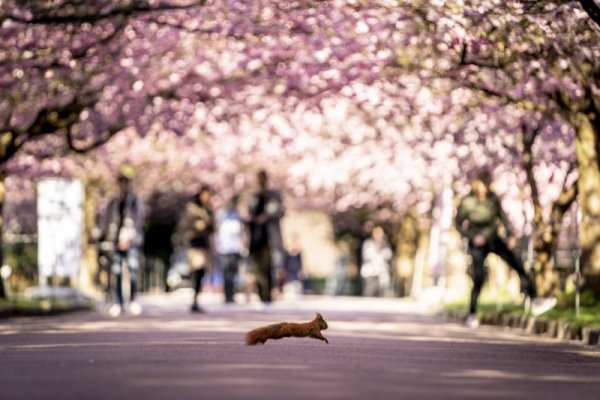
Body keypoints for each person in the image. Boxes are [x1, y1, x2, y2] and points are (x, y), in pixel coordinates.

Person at [456, 169, 556, 328]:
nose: (485, 188)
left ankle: (535, 299)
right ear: (477, 184)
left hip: (494, 239)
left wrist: (510, 235)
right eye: (483, 185)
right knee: (479, 278)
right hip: (477, 244)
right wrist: (472, 236)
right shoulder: (468, 201)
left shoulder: (493, 199)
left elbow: (502, 217)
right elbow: (459, 224)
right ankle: (472, 313)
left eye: (488, 185)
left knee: (517, 264)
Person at [101, 173, 144, 317]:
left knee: (132, 270)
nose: (122, 186)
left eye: (125, 183)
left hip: (130, 242)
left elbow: (137, 222)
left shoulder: (135, 201)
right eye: (120, 184)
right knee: (116, 272)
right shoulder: (113, 202)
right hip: (114, 240)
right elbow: (106, 221)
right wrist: (97, 234)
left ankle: (132, 300)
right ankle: (118, 302)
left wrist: (127, 238)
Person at [247, 170, 285, 306]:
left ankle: (267, 296)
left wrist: (267, 216)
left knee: (269, 266)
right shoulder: (253, 195)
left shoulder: (274, 195)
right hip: (255, 237)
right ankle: (260, 295)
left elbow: (280, 210)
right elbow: (249, 212)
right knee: (257, 267)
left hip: (269, 237)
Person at [177, 186, 214, 313]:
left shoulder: (209, 209)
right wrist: (200, 225)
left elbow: (213, 226)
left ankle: (196, 299)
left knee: (202, 272)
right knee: (197, 271)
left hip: (205, 244)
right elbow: (184, 225)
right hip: (195, 244)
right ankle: (194, 300)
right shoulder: (192, 209)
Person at [215, 194, 245, 303]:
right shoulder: (220, 215)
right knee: (225, 272)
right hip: (223, 248)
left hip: (235, 248)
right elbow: (216, 231)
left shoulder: (238, 215)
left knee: (232, 272)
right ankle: (227, 295)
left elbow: (242, 232)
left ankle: (231, 294)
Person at [360, 226, 392, 297]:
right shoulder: (368, 244)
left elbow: (388, 255)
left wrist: (382, 247)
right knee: (369, 292)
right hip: (370, 272)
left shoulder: (385, 245)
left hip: (381, 272)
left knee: (381, 293)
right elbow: (366, 256)